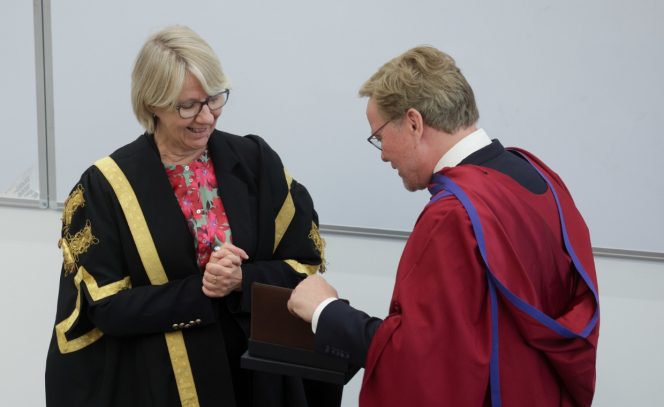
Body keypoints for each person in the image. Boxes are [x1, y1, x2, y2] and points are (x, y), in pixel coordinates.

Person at [45, 25, 341, 407]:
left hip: (256, 377)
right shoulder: (105, 186)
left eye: (214, 99)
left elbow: (304, 264)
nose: (206, 118)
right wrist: (201, 290)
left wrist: (241, 279)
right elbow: (107, 309)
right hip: (161, 382)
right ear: (152, 104)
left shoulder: (254, 161)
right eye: (187, 106)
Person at [288, 46, 600, 407]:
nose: (383, 153)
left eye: (380, 136)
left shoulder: (454, 216)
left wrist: (327, 312)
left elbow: (422, 364)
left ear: (414, 122)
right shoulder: (540, 180)